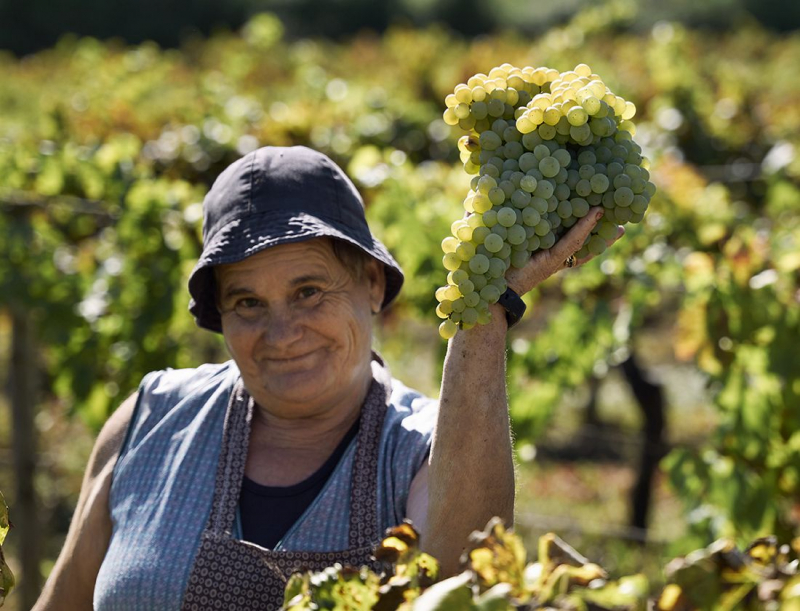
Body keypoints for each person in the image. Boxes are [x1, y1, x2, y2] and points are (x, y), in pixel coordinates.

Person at [34, 145, 620, 610]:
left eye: (308, 291)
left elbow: (457, 580)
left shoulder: (422, 449)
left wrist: (484, 319)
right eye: (246, 303)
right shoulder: (152, 418)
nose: (281, 332)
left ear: (371, 284)